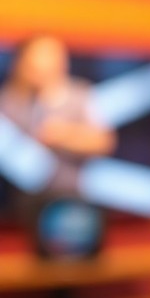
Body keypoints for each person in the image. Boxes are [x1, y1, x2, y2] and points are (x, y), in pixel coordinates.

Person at [0, 35, 116, 202]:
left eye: (51, 60)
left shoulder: (80, 95)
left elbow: (103, 142)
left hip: (71, 194)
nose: (43, 67)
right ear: (21, 63)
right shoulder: (7, 101)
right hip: (18, 199)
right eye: (35, 62)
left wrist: (64, 135)